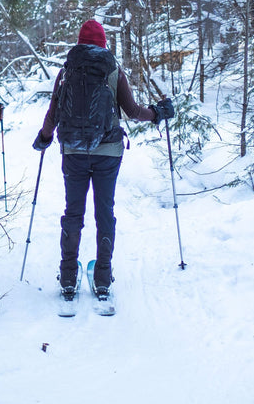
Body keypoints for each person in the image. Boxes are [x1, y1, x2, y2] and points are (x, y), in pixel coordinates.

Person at [33, 19, 174, 297]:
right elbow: (132, 111)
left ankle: (69, 277)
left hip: (73, 151)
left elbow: (54, 112)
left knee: (73, 212)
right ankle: (103, 278)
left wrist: (45, 138)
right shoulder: (112, 69)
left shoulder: (67, 70)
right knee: (104, 212)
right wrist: (157, 113)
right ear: (103, 43)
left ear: (80, 41)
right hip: (108, 153)